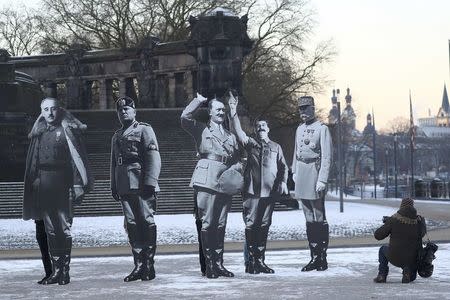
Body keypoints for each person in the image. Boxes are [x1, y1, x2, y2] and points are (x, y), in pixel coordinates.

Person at [23, 97, 93, 285]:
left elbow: (76, 159)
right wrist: (35, 182)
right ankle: (56, 270)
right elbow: (34, 161)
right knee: (51, 230)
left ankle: (65, 270)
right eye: (46, 109)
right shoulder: (39, 132)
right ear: (42, 111)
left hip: (62, 183)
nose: (50, 113)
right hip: (44, 185)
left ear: (58, 109)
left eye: (53, 109)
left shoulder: (67, 130)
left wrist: (78, 184)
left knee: (63, 228)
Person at [181, 92, 242, 279]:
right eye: (218, 109)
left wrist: (237, 165)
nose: (221, 112)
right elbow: (184, 117)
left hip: (225, 180)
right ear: (210, 112)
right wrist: (198, 101)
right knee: (207, 222)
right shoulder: (201, 129)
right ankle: (209, 266)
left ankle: (219, 263)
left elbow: (237, 156)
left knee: (221, 224)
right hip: (206, 178)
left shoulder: (230, 136)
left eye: (223, 109)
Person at [228, 92, 288, 274]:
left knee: (264, 227)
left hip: (269, 193)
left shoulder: (276, 147)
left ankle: (260, 261)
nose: (261, 127)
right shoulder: (251, 143)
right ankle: (251, 261)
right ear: (256, 130)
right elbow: (238, 132)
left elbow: (284, 167)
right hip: (252, 192)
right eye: (259, 126)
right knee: (251, 226)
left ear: (268, 129)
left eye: (264, 126)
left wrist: (284, 182)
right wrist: (233, 111)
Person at [111, 96, 161, 282]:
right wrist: (114, 185)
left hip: (141, 182)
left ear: (134, 111)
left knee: (146, 222)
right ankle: (139, 265)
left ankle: (149, 264)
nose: (123, 112)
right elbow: (114, 163)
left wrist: (150, 181)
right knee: (131, 224)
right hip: (124, 184)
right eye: (120, 110)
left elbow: (153, 156)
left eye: (127, 109)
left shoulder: (144, 129)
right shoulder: (116, 135)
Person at [292, 96, 332, 272]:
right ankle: (314, 257)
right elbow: (296, 152)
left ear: (313, 108)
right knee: (307, 213)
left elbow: (327, 156)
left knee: (318, 214)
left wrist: (322, 179)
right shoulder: (299, 129)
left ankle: (322, 257)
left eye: (306, 108)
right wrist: (294, 171)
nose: (302, 112)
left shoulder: (322, 129)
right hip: (301, 171)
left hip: (315, 172)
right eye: (300, 109)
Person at [373, 198, 427, 283]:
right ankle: (407, 271)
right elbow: (422, 234)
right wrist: (422, 222)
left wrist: (388, 223)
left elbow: (378, 235)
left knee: (382, 249)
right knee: (412, 278)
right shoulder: (418, 221)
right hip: (412, 259)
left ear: (401, 206)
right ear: (413, 206)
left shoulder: (394, 219)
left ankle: (382, 275)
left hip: (395, 256)